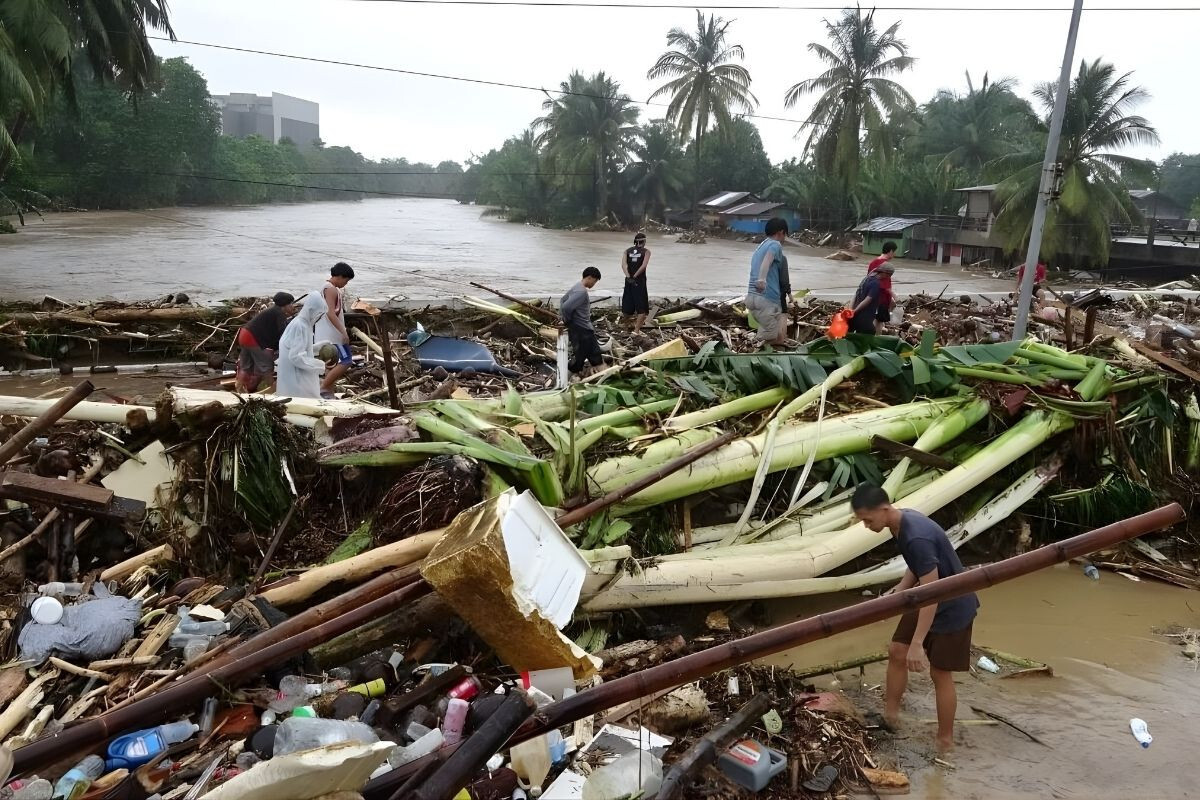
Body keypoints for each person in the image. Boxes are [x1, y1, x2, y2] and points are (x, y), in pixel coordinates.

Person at [850, 484, 979, 753]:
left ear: (884, 509)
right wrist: (900, 591)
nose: (866, 526)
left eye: (868, 520)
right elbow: (919, 565)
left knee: (939, 673)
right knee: (897, 650)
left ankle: (945, 742)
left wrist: (918, 643)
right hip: (927, 597)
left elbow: (933, 593)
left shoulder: (916, 535)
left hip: (952, 604)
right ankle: (891, 716)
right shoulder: (899, 523)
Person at [234, 292, 297, 393]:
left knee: (246, 367)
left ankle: (239, 388)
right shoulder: (279, 314)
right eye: (291, 304)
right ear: (285, 305)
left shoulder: (273, 310)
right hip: (252, 338)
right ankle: (272, 390)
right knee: (266, 367)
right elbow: (284, 334)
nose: (292, 306)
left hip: (244, 334)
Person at [276, 293, 329, 400]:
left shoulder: (303, 323)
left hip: (295, 371)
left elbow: (301, 347)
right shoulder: (300, 326)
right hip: (295, 374)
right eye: (318, 314)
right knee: (304, 399)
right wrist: (320, 365)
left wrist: (319, 347)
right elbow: (295, 357)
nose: (318, 318)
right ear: (311, 311)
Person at [745, 218, 790, 347]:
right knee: (773, 335)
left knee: (769, 330)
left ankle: (761, 349)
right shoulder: (775, 244)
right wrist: (762, 279)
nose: (784, 238)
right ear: (781, 232)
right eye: (785, 234)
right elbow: (768, 260)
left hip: (751, 298)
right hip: (767, 298)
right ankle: (757, 348)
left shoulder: (760, 246)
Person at [315, 262, 355, 399]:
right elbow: (330, 313)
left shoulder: (324, 287)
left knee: (331, 365)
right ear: (340, 276)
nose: (346, 284)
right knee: (346, 360)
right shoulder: (331, 289)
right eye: (346, 280)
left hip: (324, 334)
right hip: (332, 335)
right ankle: (323, 387)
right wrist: (343, 332)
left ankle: (328, 393)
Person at [561, 267, 603, 375]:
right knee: (594, 352)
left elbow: (562, 300)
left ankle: (570, 373)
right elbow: (566, 307)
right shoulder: (581, 292)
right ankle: (602, 372)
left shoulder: (576, 286)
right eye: (594, 281)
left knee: (581, 353)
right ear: (589, 277)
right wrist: (567, 320)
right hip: (583, 328)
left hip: (577, 327)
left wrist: (565, 319)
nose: (594, 284)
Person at [847, 262, 893, 335]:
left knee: (850, 333)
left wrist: (851, 310)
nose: (889, 277)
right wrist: (855, 311)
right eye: (890, 275)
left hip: (855, 314)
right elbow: (868, 300)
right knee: (869, 333)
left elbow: (856, 294)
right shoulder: (876, 283)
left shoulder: (866, 279)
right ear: (885, 273)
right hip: (864, 316)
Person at [620, 233, 651, 333]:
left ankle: (625, 329)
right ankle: (636, 331)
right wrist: (635, 276)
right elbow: (643, 266)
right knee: (642, 307)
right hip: (639, 281)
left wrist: (628, 276)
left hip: (628, 281)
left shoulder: (627, 251)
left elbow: (623, 265)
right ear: (644, 241)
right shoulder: (646, 252)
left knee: (627, 305)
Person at [867, 242, 898, 334]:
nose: (894, 254)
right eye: (894, 252)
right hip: (881, 298)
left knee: (873, 318)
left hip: (871, 295)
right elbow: (886, 286)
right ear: (891, 251)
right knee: (879, 321)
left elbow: (869, 279)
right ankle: (876, 339)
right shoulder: (885, 265)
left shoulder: (873, 262)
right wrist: (895, 297)